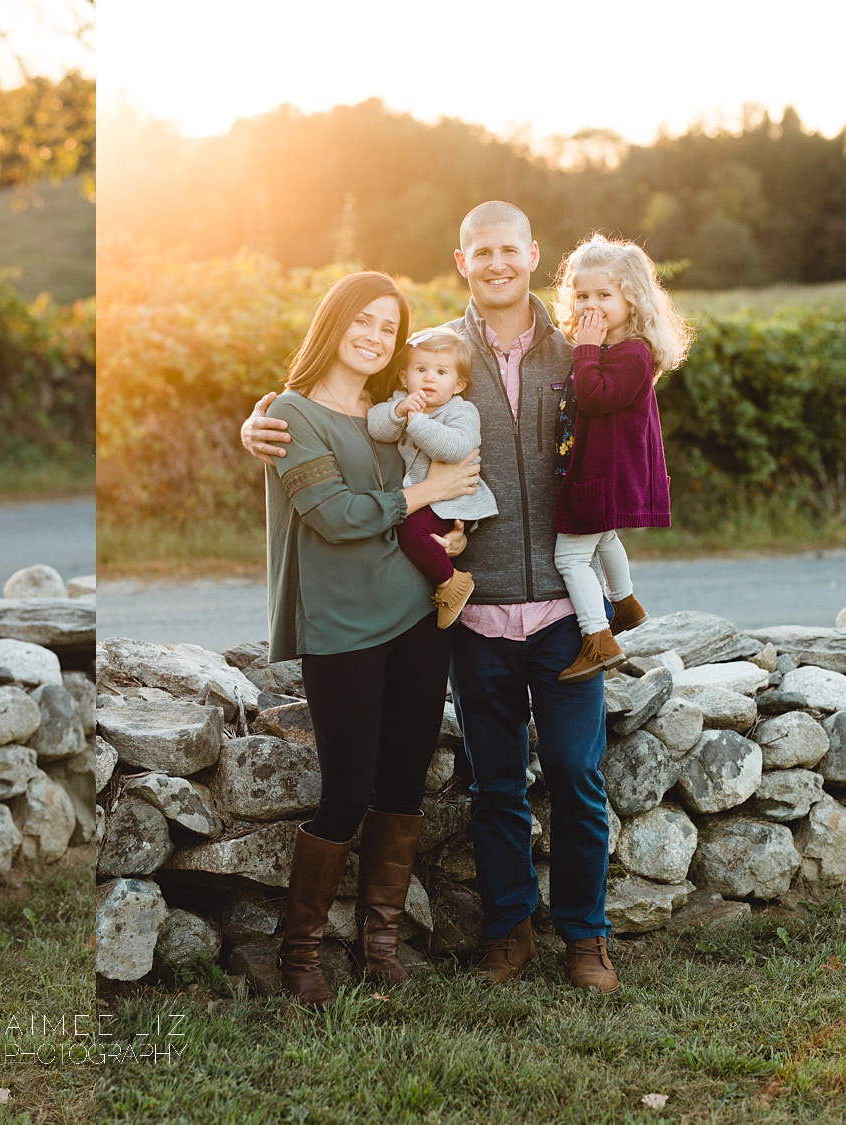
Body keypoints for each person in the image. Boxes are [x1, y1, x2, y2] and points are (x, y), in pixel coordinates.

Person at [243, 202, 621, 993]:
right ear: (461, 259)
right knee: (485, 787)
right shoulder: (438, 358)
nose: (496, 263)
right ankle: (496, 933)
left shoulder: (576, 349)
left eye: (508, 250)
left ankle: (579, 940)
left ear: (531, 254)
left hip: (534, 605)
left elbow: (634, 396)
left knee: (570, 776)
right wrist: (259, 422)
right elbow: (349, 434)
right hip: (464, 614)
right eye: (481, 250)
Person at [264, 271, 481, 1006]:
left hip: (419, 613)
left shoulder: (396, 409)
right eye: (363, 320)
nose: (375, 337)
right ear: (334, 322)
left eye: (388, 328)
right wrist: (429, 493)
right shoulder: (289, 412)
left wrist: (446, 530)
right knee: (346, 789)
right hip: (342, 624)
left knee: (402, 781)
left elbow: (422, 488)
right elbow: (339, 515)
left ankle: (378, 943)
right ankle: (300, 956)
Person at [549, 235, 691, 683]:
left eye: (604, 295)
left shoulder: (633, 353)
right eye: (583, 295)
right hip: (601, 472)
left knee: (569, 558)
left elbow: (594, 398)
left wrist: (585, 349)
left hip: (603, 477)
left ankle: (597, 638)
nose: (592, 305)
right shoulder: (618, 349)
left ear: (632, 300)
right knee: (605, 537)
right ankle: (626, 602)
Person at [366, 327, 497, 627]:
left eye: (441, 372)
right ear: (404, 378)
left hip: (455, 498)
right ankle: (444, 580)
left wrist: (417, 424)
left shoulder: (461, 411)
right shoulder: (403, 401)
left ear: (458, 383)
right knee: (411, 532)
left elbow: (456, 448)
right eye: (421, 369)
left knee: (411, 531)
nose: (429, 378)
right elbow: (376, 426)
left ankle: (451, 583)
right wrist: (398, 411)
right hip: (424, 496)